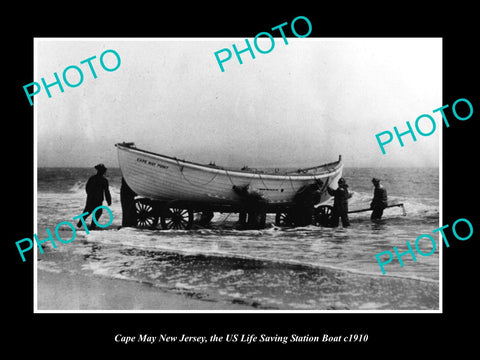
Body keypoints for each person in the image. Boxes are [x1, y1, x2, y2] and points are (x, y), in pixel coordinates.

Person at [77, 163, 112, 230]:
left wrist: (89, 195)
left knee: (87, 211)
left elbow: (87, 188)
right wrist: (109, 200)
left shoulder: (92, 178)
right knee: (98, 212)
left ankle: (80, 224)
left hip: (91, 198)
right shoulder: (104, 180)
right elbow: (107, 192)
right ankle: (92, 226)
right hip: (98, 199)